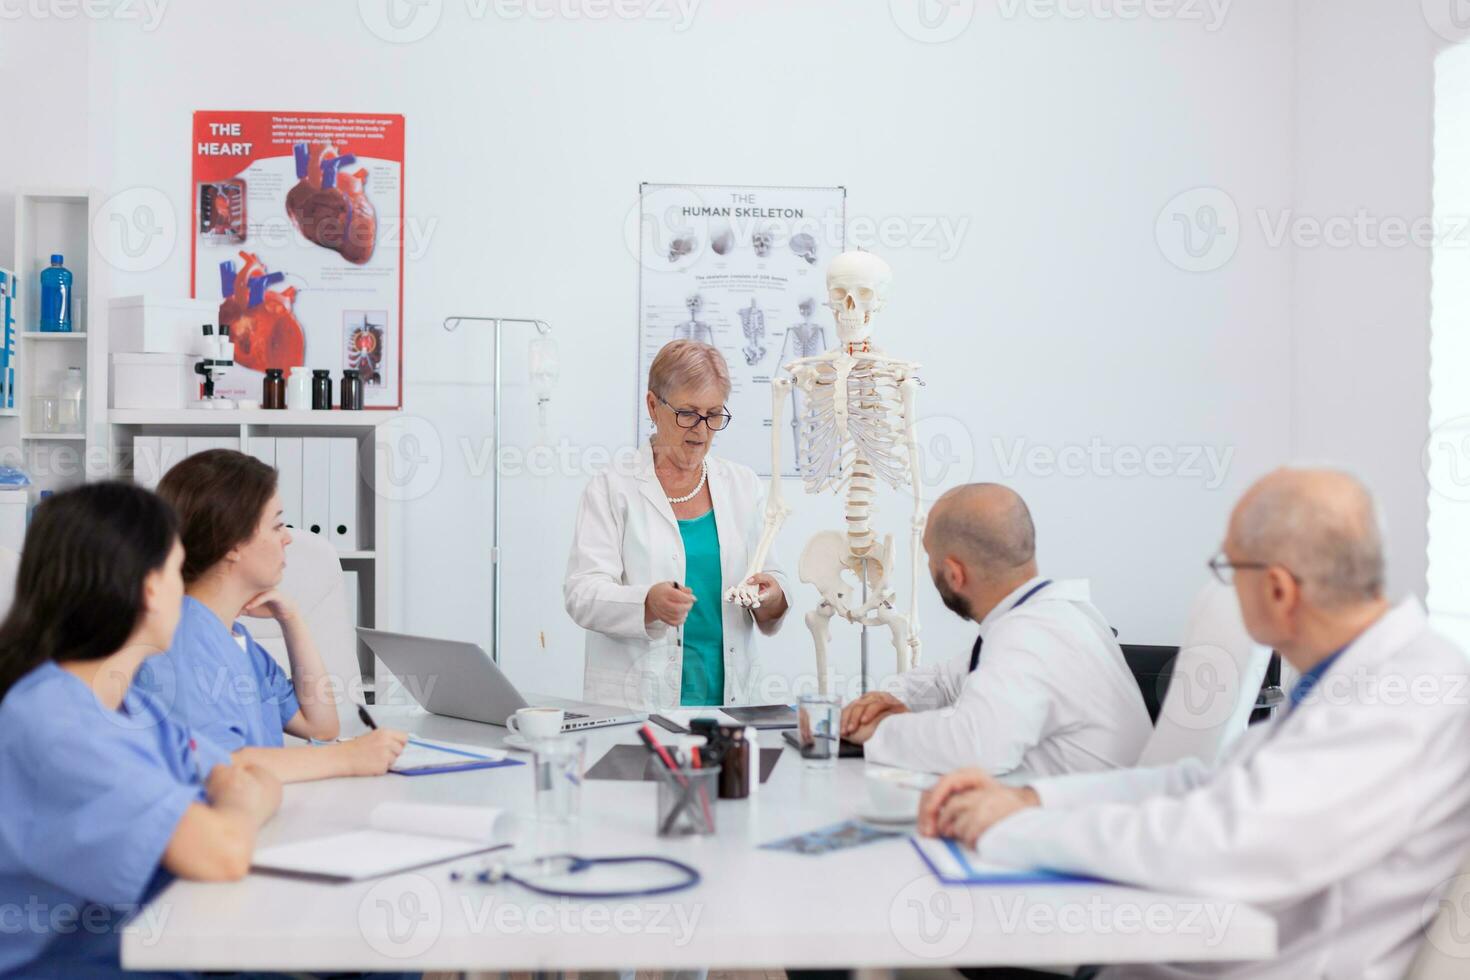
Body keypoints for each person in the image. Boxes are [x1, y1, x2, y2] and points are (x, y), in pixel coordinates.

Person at [920, 468, 1470, 980]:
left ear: (1277, 588)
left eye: (1228, 569)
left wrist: (1008, 830)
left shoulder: (1400, 702)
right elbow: (1203, 783)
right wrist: (1031, 801)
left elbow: (1217, 844)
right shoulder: (1353, 677)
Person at [0, 482, 281, 978]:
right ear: (151, 588)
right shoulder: (53, 723)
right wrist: (239, 806)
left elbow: (244, 773)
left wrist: (234, 802)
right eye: (178, 570)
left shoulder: (132, 704)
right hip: (68, 962)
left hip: (140, 933)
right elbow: (222, 849)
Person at [841, 483, 1150, 776]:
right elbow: (944, 681)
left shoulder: (1035, 634)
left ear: (953, 574)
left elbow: (974, 747)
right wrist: (882, 700)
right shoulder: (1045, 616)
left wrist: (878, 730)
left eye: (929, 558)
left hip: (1086, 821)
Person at [147, 449, 407, 782]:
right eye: (277, 525)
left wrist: (292, 619)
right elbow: (222, 766)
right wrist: (347, 757)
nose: (287, 537)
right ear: (232, 543)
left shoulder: (235, 638)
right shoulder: (177, 642)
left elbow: (322, 726)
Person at [565, 340, 789, 710]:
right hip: (636, 704)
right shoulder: (612, 487)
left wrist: (772, 594)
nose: (702, 430)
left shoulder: (743, 486)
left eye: (714, 414)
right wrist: (646, 603)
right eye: (688, 413)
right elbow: (582, 594)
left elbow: (771, 576)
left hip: (728, 702)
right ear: (653, 406)